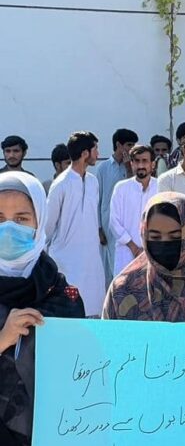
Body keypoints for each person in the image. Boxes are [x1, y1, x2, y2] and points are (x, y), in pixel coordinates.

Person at [0, 172, 85, 446]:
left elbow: (84, 370)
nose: (9, 228)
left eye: (22, 219)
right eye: (0, 219)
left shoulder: (61, 293)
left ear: (40, 221)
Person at [103, 192, 185, 321]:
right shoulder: (124, 289)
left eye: (175, 237)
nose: (164, 244)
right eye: (155, 237)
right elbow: (107, 338)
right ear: (144, 235)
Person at [44, 131, 105, 317]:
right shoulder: (61, 184)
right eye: (96, 148)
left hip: (92, 259)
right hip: (66, 261)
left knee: (93, 309)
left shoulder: (93, 182)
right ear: (85, 153)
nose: (98, 153)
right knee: (68, 311)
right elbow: (47, 227)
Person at [109, 145, 158, 277]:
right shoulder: (121, 188)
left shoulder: (160, 188)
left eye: (144, 161)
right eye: (137, 161)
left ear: (152, 164)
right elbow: (114, 222)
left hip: (154, 254)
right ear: (131, 164)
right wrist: (134, 248)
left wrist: (148, 249)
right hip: (126, 252)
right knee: (123, 293)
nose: (140, 165)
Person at [95, 128, 136, 283]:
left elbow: (134, 188)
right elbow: (98, 200)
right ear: (119, 145)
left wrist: (128, 168)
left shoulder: (133, 166)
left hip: (127, 222)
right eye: (129, 145)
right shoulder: (103, 168)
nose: (132, 149)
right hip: (107, 223)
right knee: (109, 263)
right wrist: (98, 228)